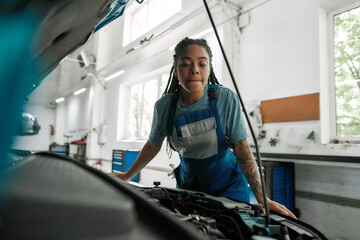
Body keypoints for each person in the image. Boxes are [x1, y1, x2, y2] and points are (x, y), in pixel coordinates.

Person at [114, 37, 296, 218]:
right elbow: (153, 145)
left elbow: (241, 147)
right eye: (185, 64)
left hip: (229, 188)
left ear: (209, 68)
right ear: (175, 70)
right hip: (189, 188)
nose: (194, 70)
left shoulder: (225, 99)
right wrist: (127, 176)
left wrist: (262, 198)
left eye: (202, 64)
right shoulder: (164, 108)